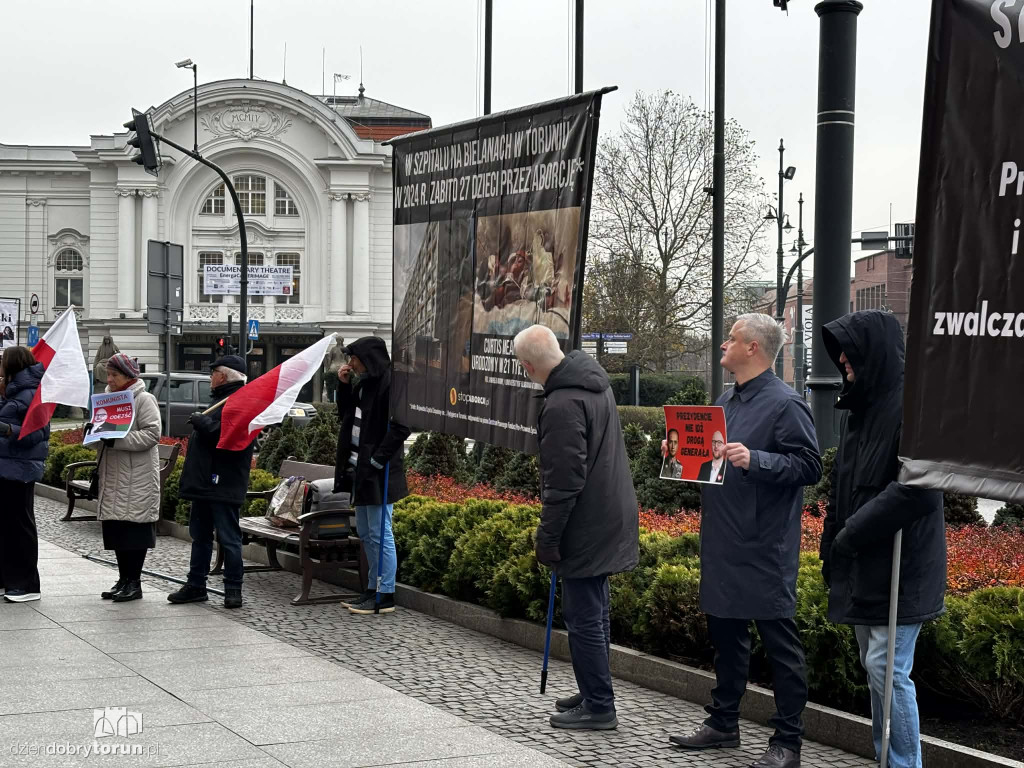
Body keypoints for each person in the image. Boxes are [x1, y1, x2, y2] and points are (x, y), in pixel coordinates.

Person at [669, 313, 821, 768]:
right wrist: (680, 453)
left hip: (764, 544)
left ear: (753, 347)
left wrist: (757, 459)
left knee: (780, 644)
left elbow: (809, 467)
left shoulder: (786, 404)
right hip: (722, 537)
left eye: (730, 339)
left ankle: (787, 743)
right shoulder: (725, 401)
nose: (722, 346)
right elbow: (711, 465)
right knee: (726, 636)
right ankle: (722, 724)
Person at [819, 310, 946, 768]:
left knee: (887, 671)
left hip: (901, 564)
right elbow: (841, 486)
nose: (842, 362)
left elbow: (920, 491)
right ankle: (886, 756)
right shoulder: (857, 411)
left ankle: (902, 762)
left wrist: (851, 534)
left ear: (871, 355)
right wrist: (831, 543)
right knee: (877, 672)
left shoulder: (912, 408)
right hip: (862, 563)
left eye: (849, 353)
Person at [514, 324, 639, 731]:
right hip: (607, 514)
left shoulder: (562, 404)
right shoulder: (594, 384)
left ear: (530, 366)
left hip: (586, 523)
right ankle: (593, 689)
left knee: (583, 616)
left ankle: (600, 704)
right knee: (595, 610)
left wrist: (547, 538)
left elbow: (563, 482)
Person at [167, 355, 253, 609]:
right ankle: (196, 585)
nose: (210, 377)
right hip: (205, 481)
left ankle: (233, 589)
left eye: (213, 373)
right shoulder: (220, 399)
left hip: (223, 482)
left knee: (228, 537)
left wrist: (202, 422)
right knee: (200, 535)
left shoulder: (241, 401)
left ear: (223, 376)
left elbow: (231, 437)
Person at [333, 336, 411, 615]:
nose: (349, 364)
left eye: (353, 358)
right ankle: (371, 589)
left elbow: (402, 427)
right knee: (366, 532)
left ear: (367, 358)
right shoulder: (364, 383)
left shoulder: (391, 384)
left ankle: (385, 593)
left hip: (378, 470)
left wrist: (378, 459)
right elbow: (345, 415)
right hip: (361, 468)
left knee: (380, 533)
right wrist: (343, 387)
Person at [93, 353, 162, 602]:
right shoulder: (108, 400)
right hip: (113, 474)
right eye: (108, 375)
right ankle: (123, 579)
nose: (109, 379)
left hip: (137, 477)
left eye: (114, 375)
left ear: (128, 377)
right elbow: (102, 437)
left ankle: (134, 582)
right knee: (117, 529)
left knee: (134, 530)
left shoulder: (144, 399)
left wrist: (116, 440)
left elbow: (152, 434)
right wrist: (92, 432)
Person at [0, 346, 49, 602]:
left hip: (20, 470)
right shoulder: (10, 390)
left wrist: (6, 429)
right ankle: (7, 578)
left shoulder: (33, 393)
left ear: (12, 365)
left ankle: (27, 584)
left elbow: (37, 433)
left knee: (20, 527)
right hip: (5, 468)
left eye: (2, 362)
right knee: (5, 527)